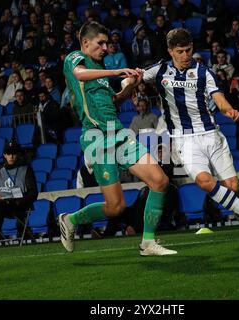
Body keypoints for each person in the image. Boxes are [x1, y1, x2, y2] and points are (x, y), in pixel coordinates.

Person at [60, 21, 176, 256]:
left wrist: (130, 87)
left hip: (119, 134)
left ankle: (148, 243)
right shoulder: (74, 59)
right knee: (115, 207)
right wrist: (116, 72)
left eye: (107, 43)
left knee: (160, 181)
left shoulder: (101, 74)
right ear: (85, 43)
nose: (105, 48)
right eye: (100, 43)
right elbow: (80, 75)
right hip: (96, 139)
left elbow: (114, 102)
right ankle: (70, 220)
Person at [141, 28, 239, 225]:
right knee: (204, 181)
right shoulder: (160, 70)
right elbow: (134, 77)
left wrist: (228, 110)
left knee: (232, 187)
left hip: (211, 135)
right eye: (180, 51)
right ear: (170, 51)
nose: (185, 55)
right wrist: (127, 88)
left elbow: (219, 99)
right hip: (185, 138)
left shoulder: (204, 72)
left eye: (188, 50)